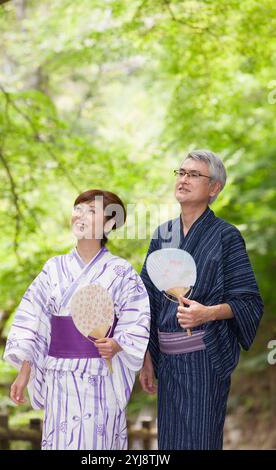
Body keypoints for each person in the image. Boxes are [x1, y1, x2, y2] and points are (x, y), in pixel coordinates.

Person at [4, 189, 150, 450]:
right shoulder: (53, 268)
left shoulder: (121, 271)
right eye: (78, 209)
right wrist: (24, 373)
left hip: (101, 377)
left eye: (91, 211)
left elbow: (137, 319)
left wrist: (117, 344)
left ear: (108, 223)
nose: (80, 215)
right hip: (59, 377)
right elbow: (34, 320)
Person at [139, 150, 264, 450]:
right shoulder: (163, 234)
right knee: (169, 444)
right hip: (167, 362)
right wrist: (146, 357)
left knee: (200, 442)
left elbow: (248, 301)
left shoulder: (226, 236)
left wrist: (206, 314)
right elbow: (146, 302)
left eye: (194, 175)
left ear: (214, 188)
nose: (183, 179)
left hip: (204, 361)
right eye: (181, 172)